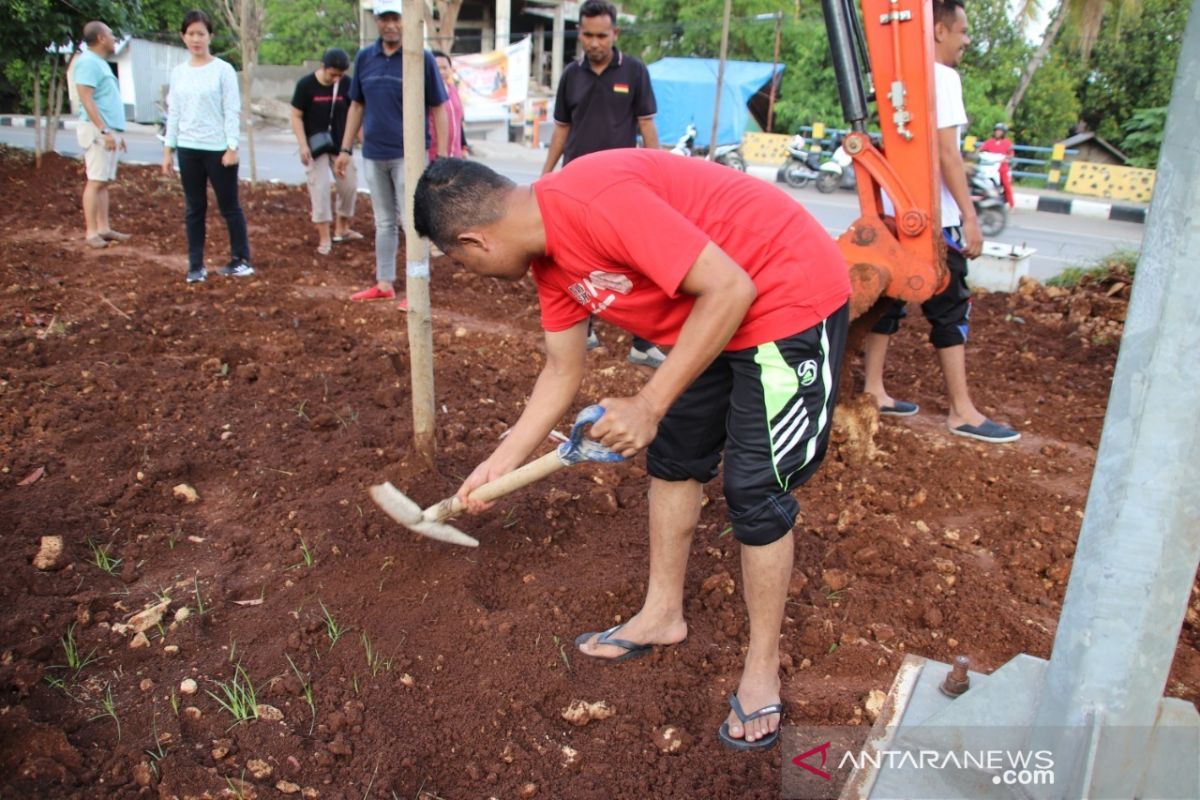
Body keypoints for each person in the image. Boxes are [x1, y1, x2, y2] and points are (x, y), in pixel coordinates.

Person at [413, 151, 851, 751]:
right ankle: (661, 615)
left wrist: (648, 402)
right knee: (673, 461)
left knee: (754, 490)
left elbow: (733, 285)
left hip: (782, 299)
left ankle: (760, 669)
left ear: (474, 241)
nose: (465, 270)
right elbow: (561, 370)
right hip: (707, 316)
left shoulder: (595, 201)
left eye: (456, 260)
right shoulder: (550, 265)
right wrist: (500, 463)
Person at [863, 0, 1019, 443]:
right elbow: (947, 154)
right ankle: (962, 411)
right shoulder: (942, 77)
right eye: (962, 31)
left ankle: (873, 389)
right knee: (951, 307)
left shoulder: (900, 78)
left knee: (888, 301)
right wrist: (970, 217)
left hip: (899, 212)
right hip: (937, 219)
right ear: (938, 31)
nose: (966, 40)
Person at [540, 0, 665, 369]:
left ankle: (642, 341)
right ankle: (585, 329)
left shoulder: (635, 72)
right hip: (576, 185)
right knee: (576, 256)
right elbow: (562, 129)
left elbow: (646, 125)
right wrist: (547, 173)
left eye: (602, 35)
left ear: (615, 33)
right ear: (580, 33)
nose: (594, 42)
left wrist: (657, 171)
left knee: (637, 259)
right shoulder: (571, 75)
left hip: (621, 186)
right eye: (588, 34)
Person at [335, 0, 449, 308]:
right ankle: (384, 283)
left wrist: (445, 153)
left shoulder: (420, 58)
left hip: (409, 156)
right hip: (374, 154)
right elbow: (356, 105)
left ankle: (417, 287)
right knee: (383, 220)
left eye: (395, 17)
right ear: (376, 20)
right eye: (384, 17)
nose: (390, 24)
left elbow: (439, 107)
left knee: (413, 220)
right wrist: (345, 148)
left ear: (405, 20)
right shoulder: (365, 58)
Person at [161, 10, 254, 284]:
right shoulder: (179, 73)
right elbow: (174, 112)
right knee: (194, 208)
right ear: (183, 37)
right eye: (190, 34)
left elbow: (231, 109)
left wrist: (232, 146)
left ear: (210, 36)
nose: (196, 39)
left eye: (201, 33)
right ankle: (196, 265)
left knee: (229, 206)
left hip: (218, 150)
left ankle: (240, 259)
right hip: (189, 150)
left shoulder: (222, 70)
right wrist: (169, 149)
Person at [290, 48, 362, 257]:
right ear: (323, 67)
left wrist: (353, 143)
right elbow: (295, 116)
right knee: (319, 188)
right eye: (333, 74)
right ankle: (324, 237)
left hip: (340, 146)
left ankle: (342, 227)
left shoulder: (347, 85)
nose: (336, 78)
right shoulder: (306, 85)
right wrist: (303, 145)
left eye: (340, 74)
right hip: (315, 147)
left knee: (349, 185)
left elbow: (355, 111)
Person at [74, 21, 129, 249]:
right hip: (97, 130)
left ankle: (104, 228)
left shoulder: (99, 63)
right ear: (100, 38)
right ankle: (91, 232)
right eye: (110, 34)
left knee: (104, 182)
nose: (114, 38)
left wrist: (116, 132)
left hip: (106, 130)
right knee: (95, 181)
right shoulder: (88, 62)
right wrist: (105, 130)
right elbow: (86, 98)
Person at [428, 51, 466, 162]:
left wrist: (463, 147)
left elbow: (459, 121)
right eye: (437, 68)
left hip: (455, 156)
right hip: (434, 156)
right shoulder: (426, 92)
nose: (441, 72)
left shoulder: (453, 90)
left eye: (445, 68)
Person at [979, 122, 1015, 208]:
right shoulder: (989, 142)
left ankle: (1011, 204)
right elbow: (981, 149)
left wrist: (1005, 159)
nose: (998, 133)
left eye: (1000, 131)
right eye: (997, 131)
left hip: (1002, 167)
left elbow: (1011, 155)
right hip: (989, 167)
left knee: (1006, 184)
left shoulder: (1007, 143)